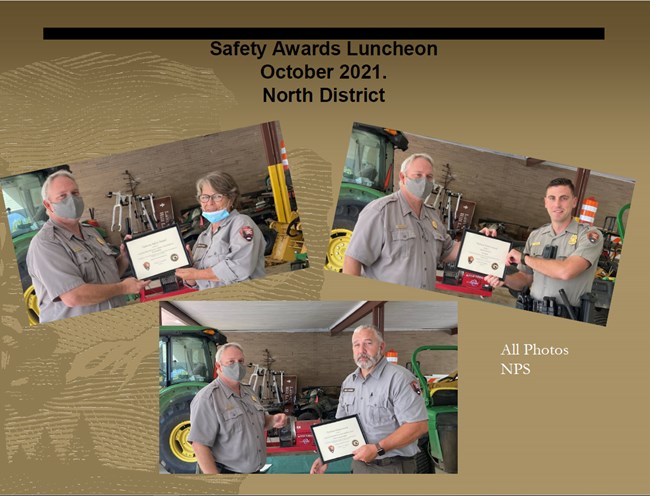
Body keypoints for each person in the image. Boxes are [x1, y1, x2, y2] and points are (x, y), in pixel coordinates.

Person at [26, 170, 150, 323]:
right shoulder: (46, 244)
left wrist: (124, 257)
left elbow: (107, 276)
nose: (72, 200)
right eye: (63, 196)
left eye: (75, 193)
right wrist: (123, 288)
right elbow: (74, 296)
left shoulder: (91, 233)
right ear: (48, 204)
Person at [310, 325, 429, 474]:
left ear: (381, 346)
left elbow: (418, 426)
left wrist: (377, 448)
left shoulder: (400, 379)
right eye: (356, 345)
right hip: (359, 466)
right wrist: (326, 456)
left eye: (368, 343)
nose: (361, 350)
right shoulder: (349, 382)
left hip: (392, 467)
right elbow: (342, 426)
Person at [484, 178, 604, 318]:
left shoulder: (589, 235)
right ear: (545, 202)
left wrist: (524, 258)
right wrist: (504, 278)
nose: (557, 204)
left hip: (567, 316)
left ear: (574, 202)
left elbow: (566, 271)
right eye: (552, 198)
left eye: (564, 198)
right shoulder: (536, 236)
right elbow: (525, 279)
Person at [343, 153, 462, 290]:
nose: (424, 181)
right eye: (418, 175)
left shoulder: (432, 215)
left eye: (429, 177)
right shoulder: (381, 212)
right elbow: (353, 260)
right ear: (402, 177)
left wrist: (479, 239)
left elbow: (448, 251)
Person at [187, 343, 287, 474]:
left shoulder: (248, 391)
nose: (237, 366)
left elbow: (260, 422)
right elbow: (199, 445)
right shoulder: (208, 398)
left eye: (241, 361)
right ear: (218, 366)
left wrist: (273, 420)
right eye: (231, 362)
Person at [175, 172, 265, 290]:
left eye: (217, 196)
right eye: (205, 197)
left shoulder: (241, 223)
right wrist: (188, 271)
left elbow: (241, 267)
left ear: (231, 199)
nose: (210, 203)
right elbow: (197, 284)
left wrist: (196, 274)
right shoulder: (204, 236)